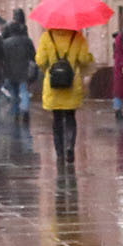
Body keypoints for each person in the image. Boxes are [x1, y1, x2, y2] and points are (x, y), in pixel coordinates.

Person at [34, 22, 94, 163]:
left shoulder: (46, 37)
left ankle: (59, 153)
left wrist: (48, 69)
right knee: (70, 116)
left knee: (57, 118)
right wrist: (88, 56)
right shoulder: (78, 37)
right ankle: (70, 146)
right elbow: (84, 59)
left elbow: (40, 60)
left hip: (53, 83)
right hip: (72, 82)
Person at [0, 21, 36, 124]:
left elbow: (2, 58)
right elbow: (33, 55)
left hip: (10, 71)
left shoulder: (5, 43)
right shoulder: (27, 41)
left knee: (14, 93)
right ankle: (25, 110)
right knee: (24, 91)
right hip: (24, 70)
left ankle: (15, 112)